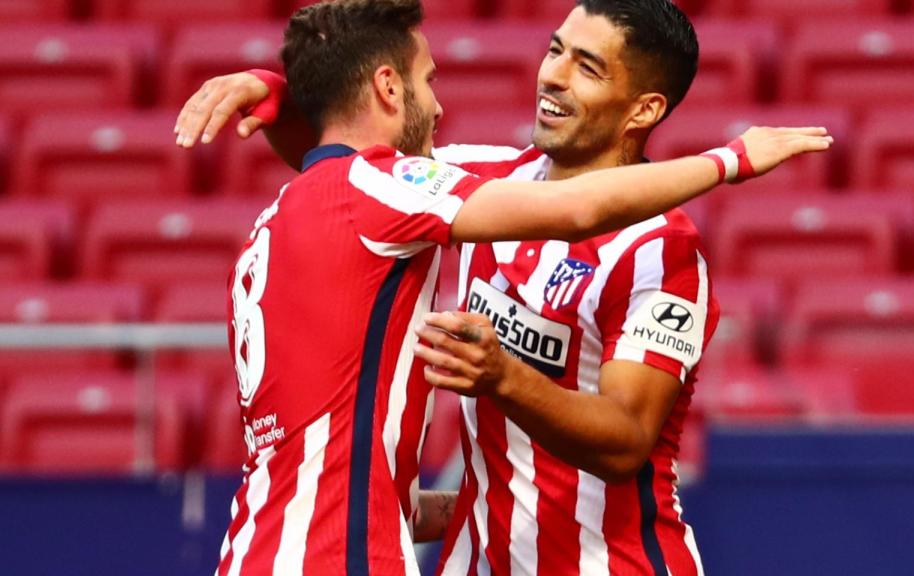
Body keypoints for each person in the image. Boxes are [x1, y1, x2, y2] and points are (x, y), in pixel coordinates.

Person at [178, 2, 831, 574]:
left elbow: (627, 439)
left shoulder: (662, 250)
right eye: (555, 50)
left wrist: (505, 377)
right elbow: (346, 174)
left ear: (645, 109)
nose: (552, 75)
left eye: (588, 66)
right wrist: (284, 94)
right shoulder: (476, 176)